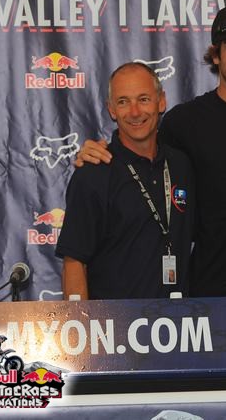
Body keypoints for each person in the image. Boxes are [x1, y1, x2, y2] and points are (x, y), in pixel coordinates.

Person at [76, 5, 226, 296]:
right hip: (213, 286)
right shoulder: (184, 122)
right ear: (216, 55)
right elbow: (142, 162)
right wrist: (94, 152)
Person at [56, 63, 195, 299]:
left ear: (161, 102)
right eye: (123, 102)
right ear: (111, 110)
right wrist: (79, 320)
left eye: (143, 99)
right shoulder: (94, 172)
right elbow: (74, 261)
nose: (134, 112)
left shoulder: (181, 165)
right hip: (114, 319)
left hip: (178, 316)